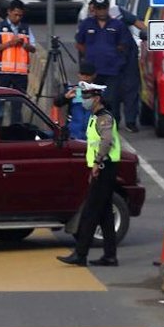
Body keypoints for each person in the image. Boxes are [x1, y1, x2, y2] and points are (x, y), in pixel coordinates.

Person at [58, 83, 120, 267]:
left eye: (87, 97)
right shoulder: (95, 117)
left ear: (97, 99)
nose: (84, 101)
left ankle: (80, 253)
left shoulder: (103, 118)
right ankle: (110, 255)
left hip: (104, 167)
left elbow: (106, 140)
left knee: (90, 212)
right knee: (106, 214)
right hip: (102, 167)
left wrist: (97, 162)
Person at [75, 0, 128, 116]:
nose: (101, 11)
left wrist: (112, 54)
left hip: (112, 69)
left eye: (104, 8)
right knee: (90, 97)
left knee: (112, 99)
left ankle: (113, 122)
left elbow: (123, 44)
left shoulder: (117, 24)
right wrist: (89, 54)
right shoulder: (86, 24)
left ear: (107, 8)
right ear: (95, 9)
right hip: (93, 71)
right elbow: (79, 43)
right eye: (99, 8)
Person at [0, 0, 37, 93]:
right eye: (15, 15)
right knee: (0, 100)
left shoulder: (26, 28)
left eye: (20, 15)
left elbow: (33, 49)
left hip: (21, 73)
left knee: (18, 103)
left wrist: (23, 44)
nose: (18, 18)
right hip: (4, 72)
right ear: (9, 12)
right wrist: (10, 43)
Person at [113, 4, 146, 133]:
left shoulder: (116, 11)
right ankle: (114, 120)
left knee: (131, 89)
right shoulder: (93, 21)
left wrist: (153, 36)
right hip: (110, 61)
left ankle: (130, 121)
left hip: (128, 58)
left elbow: (137, 23)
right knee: (112, 93)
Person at [53, 60, 99, 140]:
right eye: (82, 74)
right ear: (78, 75)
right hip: (73, 134)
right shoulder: (73, 90)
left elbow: (108, 109)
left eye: (88, 75)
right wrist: (65, 97)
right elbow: (57, 103)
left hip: (92, 135)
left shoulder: (99, 91)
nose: (85, 77)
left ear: (94, 75)